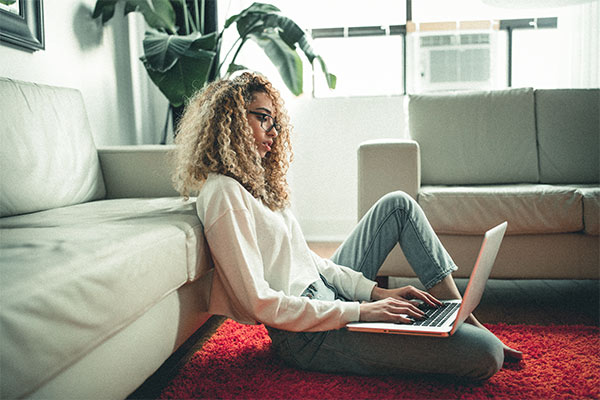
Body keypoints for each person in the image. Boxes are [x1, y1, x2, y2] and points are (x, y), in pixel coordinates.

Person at [172, 72, 522, 381]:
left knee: (397, 204)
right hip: (306, 336)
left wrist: (374, 293)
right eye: (263, 118)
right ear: (230, 120)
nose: (273, 132)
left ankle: (461, 314)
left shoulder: (254, 183)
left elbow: (308, 261)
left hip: (327, 296)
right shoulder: (223, 194)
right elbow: (258, 303)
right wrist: (361, 311)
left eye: (275, 122)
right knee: (486, 354)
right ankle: (464, 328)